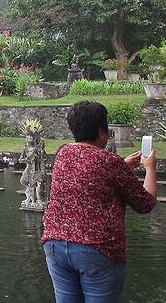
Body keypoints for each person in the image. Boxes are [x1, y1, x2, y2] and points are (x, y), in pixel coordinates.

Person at [42, 101, 157, 303]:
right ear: (101, 130)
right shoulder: (108, 161)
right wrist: (150, 169)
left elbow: (90, 176)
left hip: (55, 244)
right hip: (96, 248)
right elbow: (145, 203)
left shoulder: (63, 153)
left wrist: (123, 166)